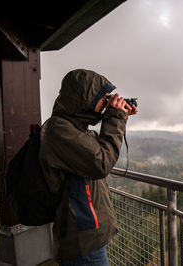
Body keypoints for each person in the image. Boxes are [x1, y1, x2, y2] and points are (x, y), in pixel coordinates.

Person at [39, 69, 137, 265]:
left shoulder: (74, 129)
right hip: (81, 238)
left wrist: (120, 117)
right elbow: (101, 163)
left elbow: (98, 150)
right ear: (86, 98)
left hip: (86, 233)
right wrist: (114, 118)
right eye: (104, 98)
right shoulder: (59, 130)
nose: (107, 103)